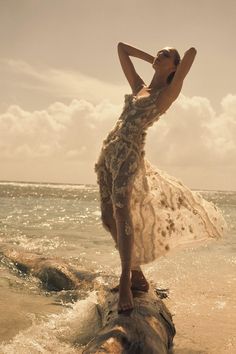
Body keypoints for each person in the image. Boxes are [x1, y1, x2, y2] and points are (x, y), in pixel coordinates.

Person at [95, 42, 225, 313]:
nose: (158, 54)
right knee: (108, 218)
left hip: (130, 154)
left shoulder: (168, 92)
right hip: (109, 154)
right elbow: (120, 48)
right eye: (159, 52)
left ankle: (126, 283)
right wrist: (152, 60)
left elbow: (191, 52)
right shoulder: (139, 87)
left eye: (164, 54)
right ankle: (137, 274)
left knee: (122, 215)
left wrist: (174, 69)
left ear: (173, 67)